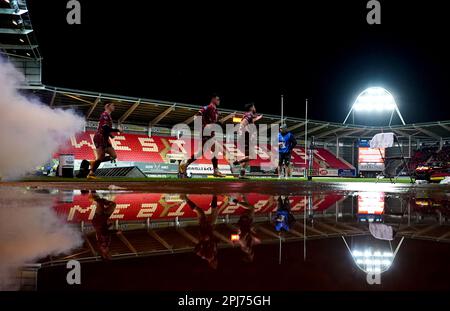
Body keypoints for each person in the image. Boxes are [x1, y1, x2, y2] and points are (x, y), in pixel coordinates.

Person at [178, 95, 226, 178]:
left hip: (211, 133)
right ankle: (216, 170)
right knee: (215, 149)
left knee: (201, 152)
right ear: (213, 99)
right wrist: (204, 126)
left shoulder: (216, 111)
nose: (219, 100)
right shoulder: (208, 107)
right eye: (218, 99)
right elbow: (197, 116)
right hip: (206, 133)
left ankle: (185, 165)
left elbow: (213, 122)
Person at [87, 102, 121, 179]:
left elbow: (105, 129)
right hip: (100, 137)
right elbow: (105, 128)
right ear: (107, 106)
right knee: (101, 157)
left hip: (105, 138)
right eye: (112, 105)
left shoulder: (108, 116)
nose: (114, 106)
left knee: (114, 156)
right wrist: (117, 130)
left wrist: (110, 134)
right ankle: (91, 173)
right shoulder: (104, 115)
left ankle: (94, 163)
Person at [233, 103, 263, 179]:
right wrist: (245, 134)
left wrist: (257, 118)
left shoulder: (248, 115)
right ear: (251, 108)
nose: (255, 108)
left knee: (248, 159)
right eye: (254, 107)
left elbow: (249, 121)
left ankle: (242, 175)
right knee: (252, 156)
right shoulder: (249, 115)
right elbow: (242, 124)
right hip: (246, 138)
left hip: (245, 138)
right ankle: (238, 161)